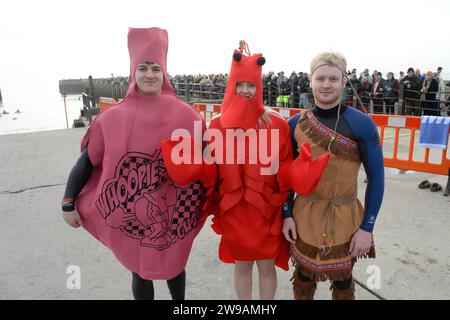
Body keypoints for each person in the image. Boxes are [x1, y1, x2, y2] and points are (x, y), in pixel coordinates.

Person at [160, 42, 329, 300]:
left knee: (266, 266)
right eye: (241, 84)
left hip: (266, 212)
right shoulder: (216, 125)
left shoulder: (276, 124)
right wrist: (191, 167)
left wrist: (298, 173)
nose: (246, 91)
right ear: (232, 85)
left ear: (259, 87)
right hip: (234, 212)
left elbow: (283, 166)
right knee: (241, 265)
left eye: (252, 85)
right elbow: (211, 169)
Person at [60, 27, 207, 300]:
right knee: (140, 270)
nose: (149, 74)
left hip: (176, 213)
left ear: (164, 72)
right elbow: (87, 162)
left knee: (176, 266)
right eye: (143, 68)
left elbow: (210, 162)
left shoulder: (189, 117)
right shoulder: (111, 118)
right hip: (134, 215)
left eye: (155, 68)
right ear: (133, 72)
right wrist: (68, 202)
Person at [282, 51, 384, 300]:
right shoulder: (295, 124)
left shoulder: (362, 124)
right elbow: (285, 177)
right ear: (310, 80)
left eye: (333, 79)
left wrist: (367, 228)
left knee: (343, 279)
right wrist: (286, 215)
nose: (326, 85)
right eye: (320, 79)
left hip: (345, 214)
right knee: (304, 275)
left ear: (343, 81)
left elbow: (377, 178)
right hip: (304, 213)